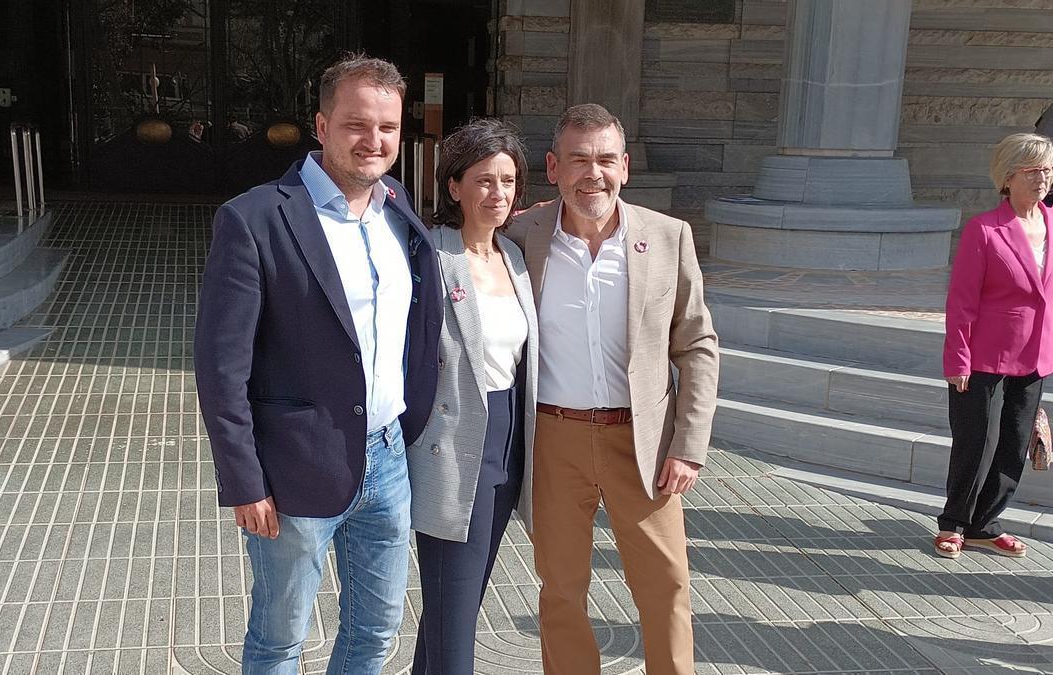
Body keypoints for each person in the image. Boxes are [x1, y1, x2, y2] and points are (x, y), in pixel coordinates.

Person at [193, 54, 441, 674]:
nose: (374, 140)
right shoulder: (255, 218)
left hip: (387, 461)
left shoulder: (397, 207)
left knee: (375, 633)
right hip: (294, 470)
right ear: (322, 126)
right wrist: (245, 481)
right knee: (280, 641)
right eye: (357, 124)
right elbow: (222, 368)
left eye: (387, 127)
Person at [506, 103, 719, 675]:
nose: (591, 173)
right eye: (577, 160)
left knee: (666, 584)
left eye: (604, 159)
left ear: (624, 166)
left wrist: (688, 445)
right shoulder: (521, 234)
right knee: (561, 588)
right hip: (554, 438)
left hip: (642, 442)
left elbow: (697, 344)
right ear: (553, 167)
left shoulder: (668, 236)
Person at [408, 119, 538, 674]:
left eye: (508, 182)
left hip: (508, 448)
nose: (498, 194)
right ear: (454, 185)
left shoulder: (514, 256)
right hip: (453, 446)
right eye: (484, 181)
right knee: (454, 618)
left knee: (454, 608)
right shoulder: (430, 255)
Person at [938, 132, 1053, 560]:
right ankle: (953, 523)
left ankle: (985, 524)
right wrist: (958, 358)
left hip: (1036, 356)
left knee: (1013, 444)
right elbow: (962, 301)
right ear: (1008, 177)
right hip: (983, 357)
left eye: (1048, 169)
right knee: (975, 443)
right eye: (1034, 169)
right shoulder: (984, 230)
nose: (1043, 177)